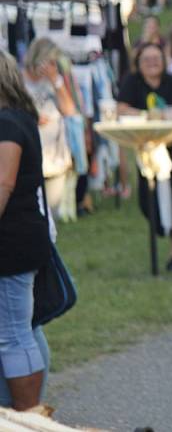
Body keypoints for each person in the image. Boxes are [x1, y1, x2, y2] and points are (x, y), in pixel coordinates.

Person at [118, 43, 172, 271]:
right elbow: (121, 109)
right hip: (148, 152)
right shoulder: (132, 82)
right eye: (146, 59)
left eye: (156, 58)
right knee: (150, 204)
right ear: (138, 63)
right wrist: (150, 115)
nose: (152, 63)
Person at [0, 49, 51, 411]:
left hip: (10, 241)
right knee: (23, 327)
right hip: (23, 236)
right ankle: (25, 413)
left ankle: (28, 414)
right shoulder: (20, 117)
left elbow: (3, 184)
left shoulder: (7, 124)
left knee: (13, 333)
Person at [22, 38, 75, 216]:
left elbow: (69, 110)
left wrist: (56, 82)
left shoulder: (55, 81)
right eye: (49, 62)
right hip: (26, 154)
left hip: (54, 156)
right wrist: (31, 117)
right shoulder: (19, 80)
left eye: (54, 63)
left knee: (52, 214)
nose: (51, 66)